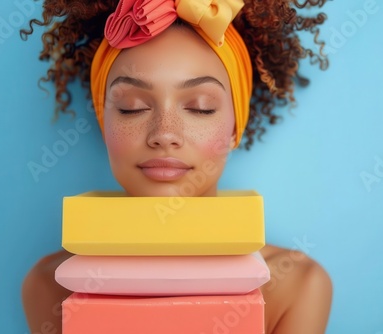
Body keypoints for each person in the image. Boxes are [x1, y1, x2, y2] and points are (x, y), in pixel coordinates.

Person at [21, 0, 332, 333]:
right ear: (103, 123)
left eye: (200, 107)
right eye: (131, 107)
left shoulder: (295, 285)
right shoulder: (49, 285)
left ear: (234, 128)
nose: (164, 134)